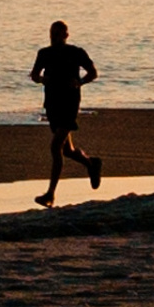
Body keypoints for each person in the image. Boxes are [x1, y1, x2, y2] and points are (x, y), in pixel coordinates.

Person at [29, 20, 102, 206]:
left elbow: (93, 72)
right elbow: (35, 75)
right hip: (52, 104)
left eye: (58, 34)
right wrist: (42, 79)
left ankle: (50, 194)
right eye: (52, 33)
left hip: (70, 103)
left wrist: (80, 82)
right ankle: (91, 164)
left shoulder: (75, 52)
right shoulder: (44, 53)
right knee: (67, 150)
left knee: (55, 147)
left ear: (65, 35)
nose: (54, 37)